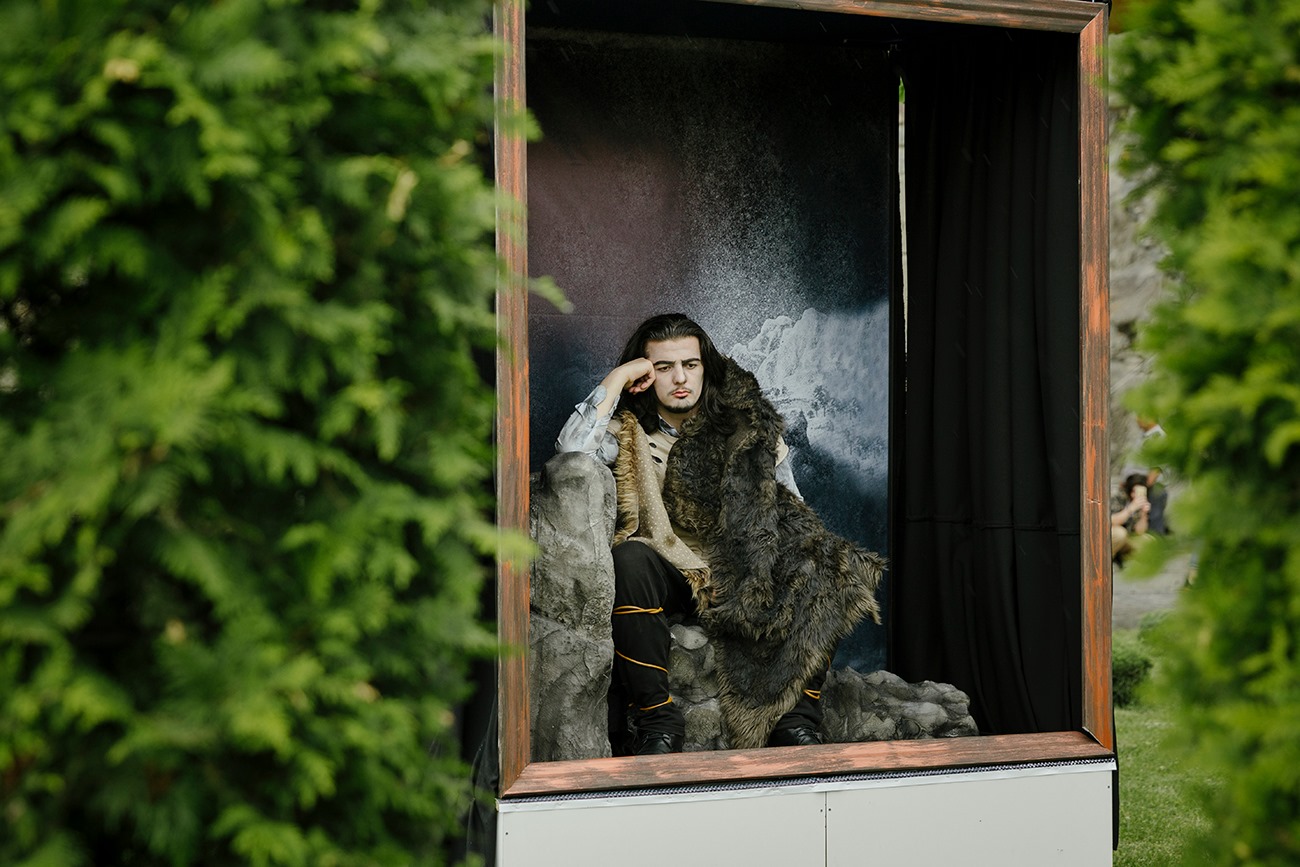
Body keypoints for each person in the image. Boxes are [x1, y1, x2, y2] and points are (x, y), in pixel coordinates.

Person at [556, 313, 884, 755]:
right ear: (645, 374)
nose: (679, 378)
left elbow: (792, 508)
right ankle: (657, 722)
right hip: (672, 565)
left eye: (690, 365)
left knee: (827, 561)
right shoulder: (626, 432)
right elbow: (571, 453)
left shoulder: (748, 431)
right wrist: (617, 379)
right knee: (629, 558)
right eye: (663, 367)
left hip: (743, 570)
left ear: (706, 368)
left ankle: (796, 721)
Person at [1110, 472, 1152, 567]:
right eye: (1134, 491)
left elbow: (1139, 531)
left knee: (1148, 540)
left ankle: (1130, 563)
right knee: (1120, 533)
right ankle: (1105, 562)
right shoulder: (1117, 496)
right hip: (1112, 533)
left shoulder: (1140, 501)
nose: (1135, 495)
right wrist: (1130, 509)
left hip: (1128, 536)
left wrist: (1144, 514)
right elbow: (1111, 521)